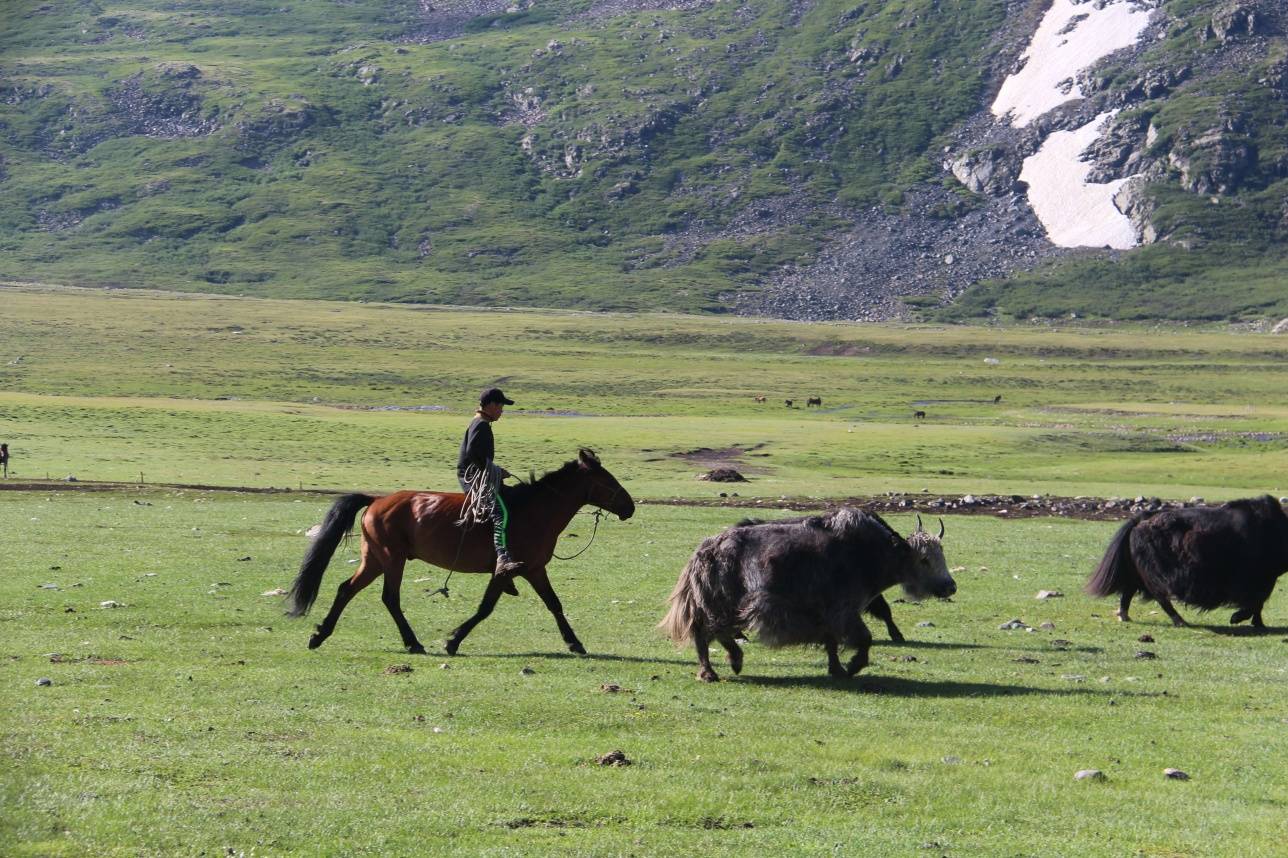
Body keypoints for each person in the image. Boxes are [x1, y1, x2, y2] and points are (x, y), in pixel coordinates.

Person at [457, 388, 524, 585]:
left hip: (480, 476)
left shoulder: (481, 423)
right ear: (492, 405)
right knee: (499, 512)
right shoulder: (481, 425)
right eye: (501, 406)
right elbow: (472, 453)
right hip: (474, 479)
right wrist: (495, 470)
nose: (502, 411)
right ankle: (502, 558)